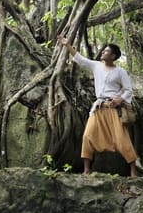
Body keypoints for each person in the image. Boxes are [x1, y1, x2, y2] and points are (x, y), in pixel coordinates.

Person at [56, 36, 138, 177]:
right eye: (104, 50)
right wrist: (67, 45)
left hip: (114, 110)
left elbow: (129, 90)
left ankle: (133, 171)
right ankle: (87, 169)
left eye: (106, 51)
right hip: (99, 108)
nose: (102, 53)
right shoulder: (96, 66)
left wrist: (120, 99)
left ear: (113, 56)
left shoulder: (120, 72)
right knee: (88, 136)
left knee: (122, 139)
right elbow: (80, 59)